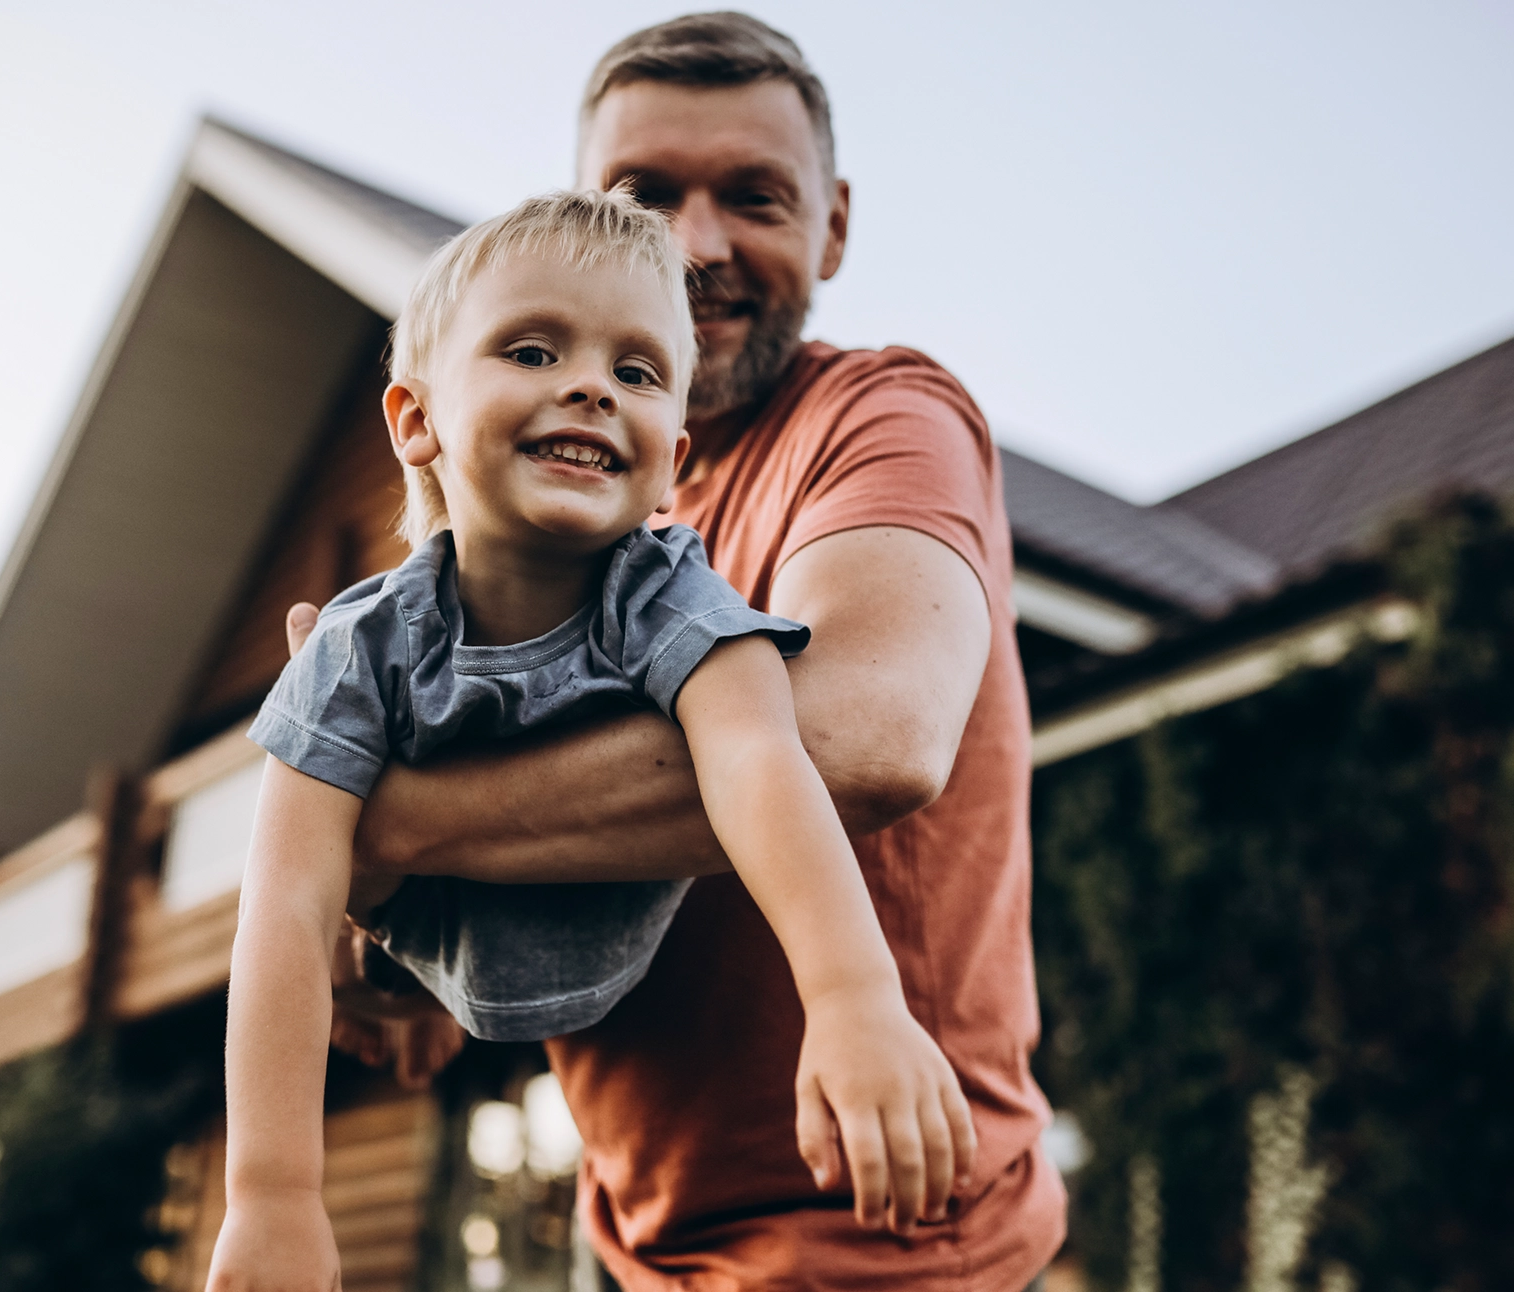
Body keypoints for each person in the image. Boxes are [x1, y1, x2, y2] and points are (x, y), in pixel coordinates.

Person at [303, 13, 1068, 1290]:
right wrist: (388, 936)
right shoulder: (558, 519)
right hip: (634, 1240)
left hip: (884, 1237)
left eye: (753, 197)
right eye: (644, 194)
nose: (697, 244)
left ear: (830, 227)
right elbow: (492, 845)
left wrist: (390, 825)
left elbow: (865, 740)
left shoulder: (881, 415)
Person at [208, 189, 978, 1292]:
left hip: (616, 973)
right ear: (416, 419)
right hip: (426, 937)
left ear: (670, 456)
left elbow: (761, 763)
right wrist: (272, 1192)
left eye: (636, 373)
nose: (588, 385)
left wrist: (855, 998)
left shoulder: (666, 590)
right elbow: (282, 898)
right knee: (326, 904)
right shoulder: (360, 640)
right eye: (531, 349)